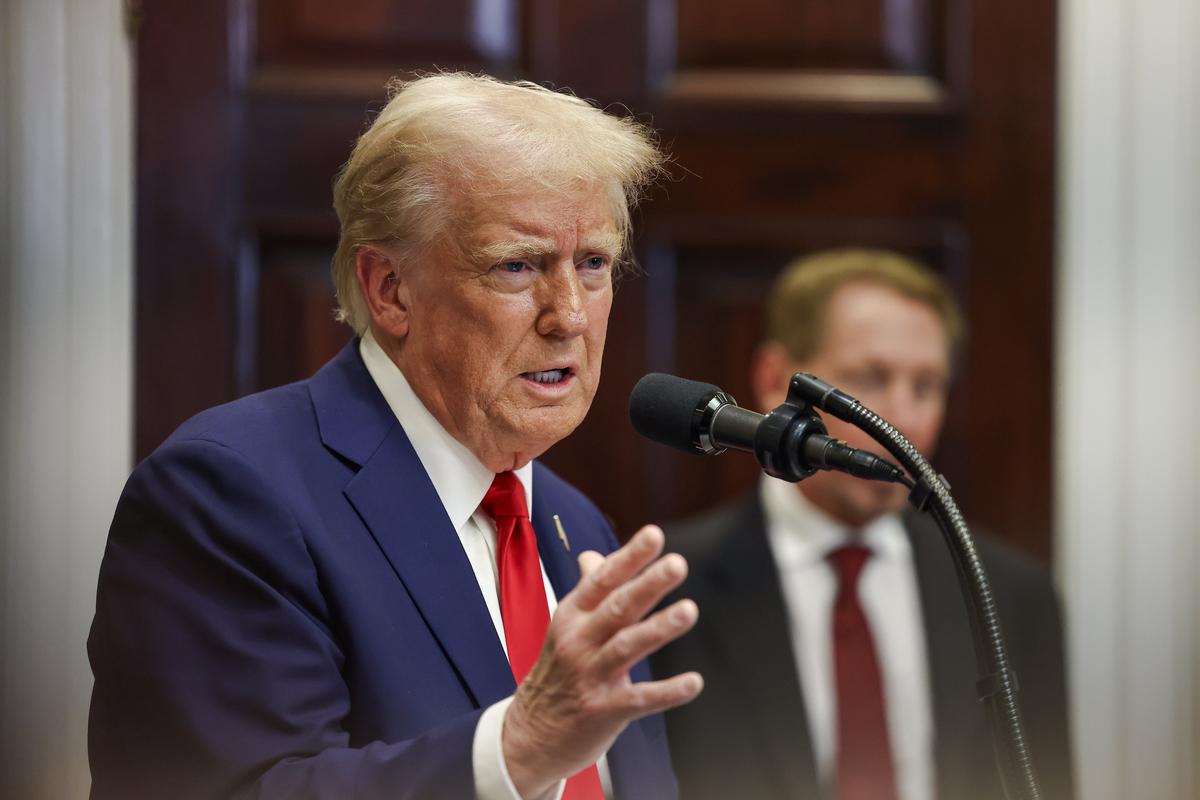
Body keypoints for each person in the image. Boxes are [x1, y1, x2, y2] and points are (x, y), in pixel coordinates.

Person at [88, 73, 703, 800]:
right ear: (389, 290)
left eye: (593, 264)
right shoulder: (229, 495)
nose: (568, 315)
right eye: (518, 266)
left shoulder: (573, 522)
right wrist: (512, 753)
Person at [651, 249, 1074, 800]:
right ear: (775, 379)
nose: (904, 417)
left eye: (926, 386)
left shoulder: (1012, 596)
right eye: (870, 381)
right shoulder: (666, 589)